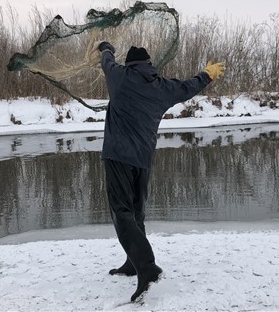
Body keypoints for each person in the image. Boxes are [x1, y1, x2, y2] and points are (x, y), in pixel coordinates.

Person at [95, 41, 225, 301]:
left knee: (122, 213)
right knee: (137, 212)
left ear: (129, 64)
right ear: (149, 64)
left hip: (118, 156)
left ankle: (146, 266)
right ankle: (133, 263)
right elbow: (188, 87)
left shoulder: (118, 77)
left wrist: (106, 48)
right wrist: (207, 75)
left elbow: (107, 60)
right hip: (143, 158)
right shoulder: (162, 87)